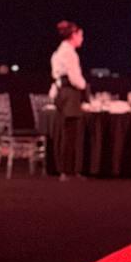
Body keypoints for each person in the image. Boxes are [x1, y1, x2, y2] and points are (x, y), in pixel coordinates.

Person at [49, 20, 87, 179]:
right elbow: (75, 79)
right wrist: (84, 86)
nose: (82, 39)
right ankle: (68, 169)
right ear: (74, 35)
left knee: (66, 131)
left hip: (62, 94)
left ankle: (65, 169)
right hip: (70, 94)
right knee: (71, 133)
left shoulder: (58, 52)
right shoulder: (69, 53)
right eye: (80, 35)